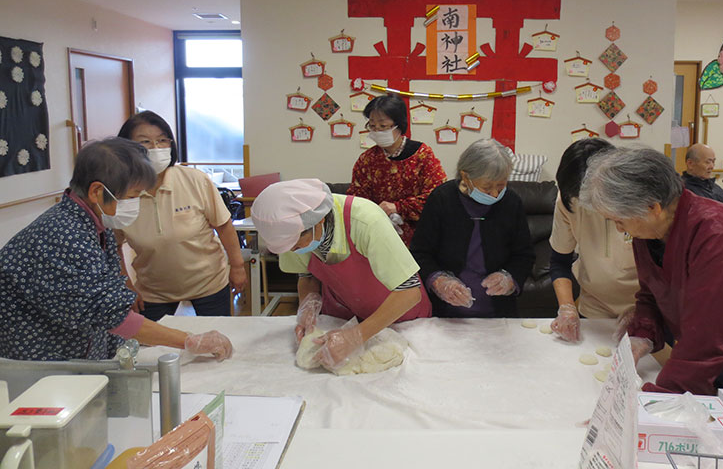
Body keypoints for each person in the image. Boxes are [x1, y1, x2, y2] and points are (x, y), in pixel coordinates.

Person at [580, 146, 723, 398]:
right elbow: (652, 291)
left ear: (653, 208)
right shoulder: (650, 230)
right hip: (713, 349)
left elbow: (708, 337)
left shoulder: (719, 236)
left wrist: (657, 399)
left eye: (619, 220)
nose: (619, 229)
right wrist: (644, 332)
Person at [0, 138, 233, 361]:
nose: (135, 204)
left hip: (78, 350)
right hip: (40, 354)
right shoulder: (64, 236)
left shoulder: (94, 223)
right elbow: (113, 317)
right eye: (132, 197)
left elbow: (107, 296)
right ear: (96, 192)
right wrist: (189, 340)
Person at [251, 178, 431, 370]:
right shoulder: (293, 232)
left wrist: (356, 336)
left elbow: (409, 292)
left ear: (318, 219)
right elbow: (306, 276)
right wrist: (308, 306)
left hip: (400, 317)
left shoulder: (366, 221)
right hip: (345, 314)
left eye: (295, 244)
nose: (293, 250)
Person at [116, 111, 247, 321]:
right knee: (152, 348)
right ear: (126, 148)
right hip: (153, 290)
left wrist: (238, 267)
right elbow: (112, 246)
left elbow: (224, 226)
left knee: (219, 343)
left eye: (162, 140)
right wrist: (126, 285)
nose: (156, 148)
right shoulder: (120, 191)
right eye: (146, 142)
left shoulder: (194, 180)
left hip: (208, 282)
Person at [410, 139, 535, 318]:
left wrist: (509, 279)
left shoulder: (511, 202)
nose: (494, 194)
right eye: (487, 187)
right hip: (445, 313)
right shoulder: (441, 199)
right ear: (465, 176)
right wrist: (439, 281)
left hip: (498, 313)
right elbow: (420, 253)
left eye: (501, 186)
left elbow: (524, 255)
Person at [548, 139, 639, 343]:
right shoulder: (568, 199)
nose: (590, 206)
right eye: (582, 199)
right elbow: (559, 261)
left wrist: (646, 311)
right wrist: (567, 308)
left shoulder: (639, 200)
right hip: (595, 311)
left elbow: (667, 271)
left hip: (645, 311)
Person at [347, 94, 447, 245]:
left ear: (398, 125)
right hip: (378, 236)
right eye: (372, 126)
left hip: (420, 238)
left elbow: (437, 196)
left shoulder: (422, 154)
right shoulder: (367, 160)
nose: (377, 131)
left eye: (383, 126)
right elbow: (357, 199)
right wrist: (378, 215)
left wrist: (398, 207)